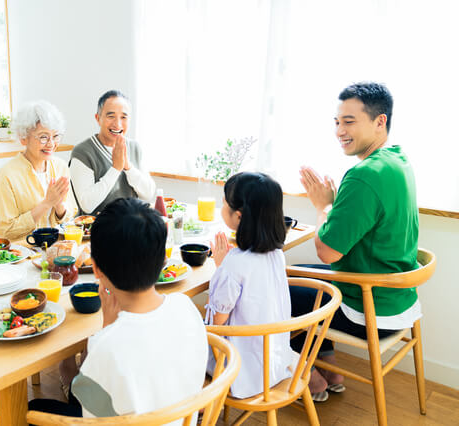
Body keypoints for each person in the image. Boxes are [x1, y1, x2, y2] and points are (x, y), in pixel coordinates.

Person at [291, 82, 419, 401]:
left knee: (270, 286)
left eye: (349, 121)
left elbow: (326, 252)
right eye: (337, 122)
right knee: (296, 274)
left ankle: (307, 374)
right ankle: (329, 365)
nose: (339, 131)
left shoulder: (364, 175)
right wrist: (334, 207)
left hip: (370, 309)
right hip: (399, 297)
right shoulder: (398, 161)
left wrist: (323, 206)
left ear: (380, 121)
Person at [29, 198, 207, 422]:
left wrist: (107, 330)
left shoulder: (106, 346)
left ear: (95, 269)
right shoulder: (186, 307)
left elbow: (95, 418)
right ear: (164, 259)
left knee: (33, 407)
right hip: (179, 418)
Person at [204, 172, 292, 398]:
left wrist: (222, 269)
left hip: (240, 369)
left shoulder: (235, 264)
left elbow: (218, 323)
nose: (222, 207)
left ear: (239, 216)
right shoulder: (275, 253)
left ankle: (198, 404)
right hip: (274, 359)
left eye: (224, 203)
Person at [0, 101, 76, 241]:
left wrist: (59, 205)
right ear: (23, 138)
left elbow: (70, 216)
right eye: (43, 137)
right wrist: (46, 204)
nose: (51, 144)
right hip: (25, 254)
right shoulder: (7, 175)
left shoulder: (60, 167)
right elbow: (7, 232)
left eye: (55, 136)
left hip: (59, 248)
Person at [69, 90, 155, 215]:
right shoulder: (82, 152)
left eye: (123, 117)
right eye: (111, 116)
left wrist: (128, 167)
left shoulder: (135, 147)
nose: (118, 124)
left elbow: (148, 194)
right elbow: (87, 205)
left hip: (133, 225)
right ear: (98, 118)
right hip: (100, 229)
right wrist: (116, 168)